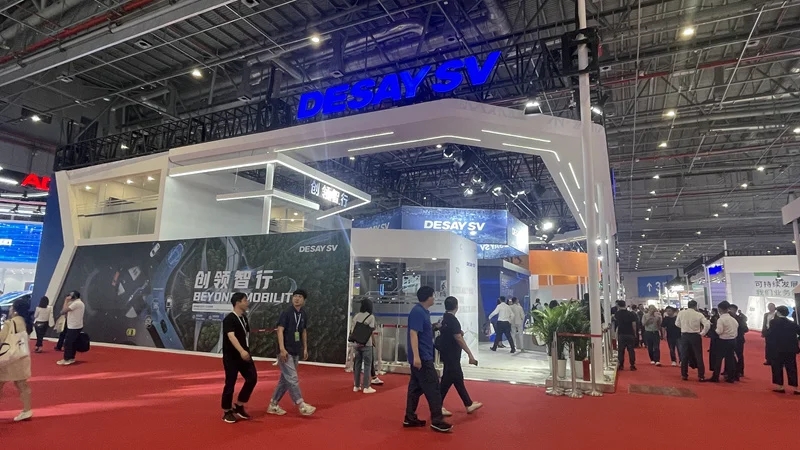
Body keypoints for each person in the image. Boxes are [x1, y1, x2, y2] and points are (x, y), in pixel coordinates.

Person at [403, 286, 451, 433]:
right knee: (433, 387)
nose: (434, 298)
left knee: (415, 389)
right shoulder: (418, 312)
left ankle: (409, 417)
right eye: (433, 295)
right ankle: (437, 420)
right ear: (428, 297)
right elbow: (413, 334)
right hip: (423, 358)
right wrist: (417, 356)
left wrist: (434, 327)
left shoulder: (422, 312)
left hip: (422, 356)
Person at [267, 289, 316, 417]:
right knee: (292, 377)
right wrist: (282, 349)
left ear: (304, 300)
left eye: (300, 297)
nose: (296, 298)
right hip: (285, 350)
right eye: (295, 296)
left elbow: (303, 331)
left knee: (285, 380)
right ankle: (301, 404)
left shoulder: (303, 314)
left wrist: (305, 348)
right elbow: (280, 330)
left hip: (296, 350)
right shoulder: (287, 313)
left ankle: (273, 404)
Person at [438, 296, 482, 417]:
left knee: (456, 379)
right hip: (452, 355)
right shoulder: (453, 320)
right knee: (449, 380)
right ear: (456, 306)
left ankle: (468, 403)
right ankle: (437, 405)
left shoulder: (444, 318)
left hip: (447, 354)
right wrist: (469, 353)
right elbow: (458, 338)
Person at [220, 292, 257, 424]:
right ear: (237, 303)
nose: (247, 303)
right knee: (230, 383)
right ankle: (227, 411)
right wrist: (241, 350)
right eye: (245, 300)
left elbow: (244, 336)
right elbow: (231, 336)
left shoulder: (244, 318)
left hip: (245, 355)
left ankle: (239, 405)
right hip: (232, 356)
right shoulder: (229, 319)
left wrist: (246, 351)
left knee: (252, 378)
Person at [0, 297, 33, 421]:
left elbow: (1, 339)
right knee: (22, 385)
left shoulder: (10, 323)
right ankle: (27, 410)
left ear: (15, 310)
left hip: (8, 358)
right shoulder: (25, 322)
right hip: (22, 356)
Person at [764, 305, 800, 394]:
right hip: (790, 349)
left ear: (778, 312)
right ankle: (795, 387)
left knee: (777, 367)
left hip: (777, 348)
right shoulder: (792, 323)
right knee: (792, 368)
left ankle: (780, 386)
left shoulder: (773, 322)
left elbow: (770, 334)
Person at [675, 300, 710, 381]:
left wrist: (684, 327)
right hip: (695, 336)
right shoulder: (698, 314)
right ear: (695, 306)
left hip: (684, 335)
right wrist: (702, 333)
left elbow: (677, 323)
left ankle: (684, 375)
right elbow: (707, 324)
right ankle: (701, 376)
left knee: (684, 356)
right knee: (698, 356)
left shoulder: (681, 313)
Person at [706, 301, 738, 383]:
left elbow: (719, 331)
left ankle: (715, 377)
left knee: (718, 359)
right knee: (730, 359)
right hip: (732, 340)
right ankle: (731, 377)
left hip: (723, 341)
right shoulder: (733, 319)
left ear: (719, 309)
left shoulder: (721, 319)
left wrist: (711, 331)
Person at [351, 298, 377, 394]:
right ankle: (366, 386)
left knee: (357, 364)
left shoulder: (356, 316)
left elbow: (353, 329)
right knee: (367, 365)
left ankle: (356, 386)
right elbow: (371, 330)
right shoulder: (371, 317)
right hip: (367, 344)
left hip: (357, 343)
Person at [57, 291, 85, 366]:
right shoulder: (78, 303)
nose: (69, 296)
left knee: (68, 343)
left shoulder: (76, 303)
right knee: (73, 343)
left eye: (70, 295)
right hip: (75, 325)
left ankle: (67, 359)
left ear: (74, 296)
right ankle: (71, 357)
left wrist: (66, 301)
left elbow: (63, 311)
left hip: (73, 326)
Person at [613, 300, 638, 371]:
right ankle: (632, 365)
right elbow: (634, 324)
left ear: (618, 306)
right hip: (630, 333)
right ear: (625, 305)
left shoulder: (617, 314)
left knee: (621, 350)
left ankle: (621, 365)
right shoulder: (631, 314)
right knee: (631, 350)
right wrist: (635, 333)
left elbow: (615, 322)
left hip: (621, 334)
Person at [729, 304, 748, 378]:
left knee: (739, 355)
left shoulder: (740, 319)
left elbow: (746, 329)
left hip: (738, 339)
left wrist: (739, 331)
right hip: (729, 339)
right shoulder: (728, 318)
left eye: (731, 309)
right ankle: (728, 370)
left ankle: (740, 371)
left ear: (735, 310)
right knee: (729, 355)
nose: (729, 311)